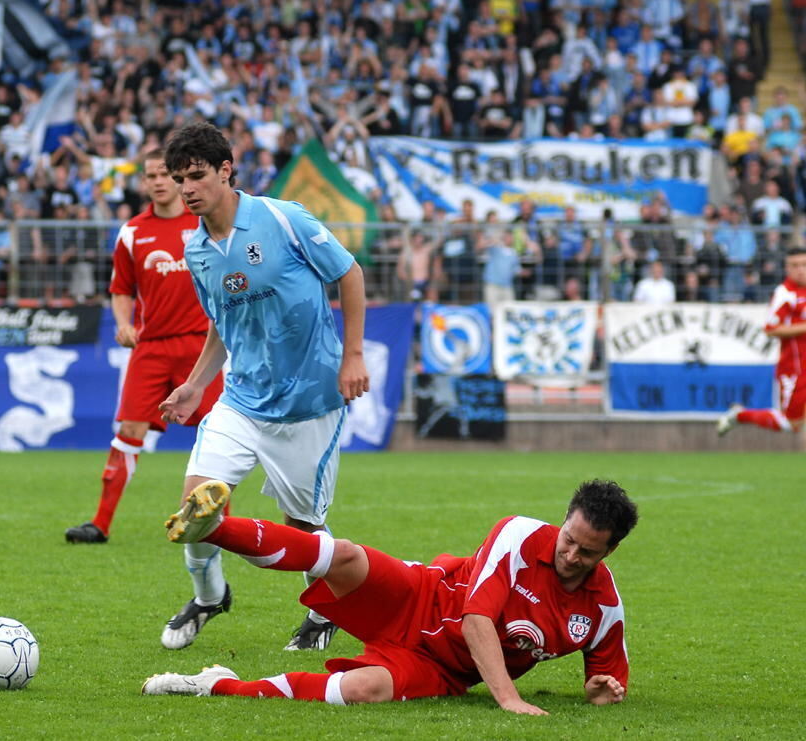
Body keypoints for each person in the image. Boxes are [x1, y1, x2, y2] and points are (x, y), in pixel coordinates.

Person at [143, 478, 638, 712]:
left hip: (442, 668)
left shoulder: (603, 608)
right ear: (564, 520)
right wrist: (507, 698)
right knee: (345, 556)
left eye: (587, 552)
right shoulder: (521, 535)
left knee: (361, 693)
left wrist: (601, 692)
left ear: (610, 550)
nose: (571, 554)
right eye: (568, 539)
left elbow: (607, 681)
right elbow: (476, 620)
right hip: (419, 597)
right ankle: (211, 528)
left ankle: (213, 684)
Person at [157, 122, 369, 652]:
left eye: (197, 175)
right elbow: (221, 329)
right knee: (195, 511)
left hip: (309, 405)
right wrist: (192, 385)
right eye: (179, 178)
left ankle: (324, 614)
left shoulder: (282, 217)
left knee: (301, 531)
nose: (187, 188)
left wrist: (354, 357)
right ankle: (210, 597)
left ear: (226, 171)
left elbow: (350, 274)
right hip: (242, 402)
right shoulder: (198, 252)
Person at [64, 148, 224, 544]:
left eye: (163, 174)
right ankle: (100, 523)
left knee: (218, 434)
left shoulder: (204, 224)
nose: (156, 181)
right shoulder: (133, 231)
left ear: (177, 179)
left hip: (200, 347)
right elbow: (121, 289)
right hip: (150, 347)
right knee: (130, 429)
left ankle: (220, 528)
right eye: (149, 175)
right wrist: (123, 324)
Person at [718, 248, 806, 435]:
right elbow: (770, 329)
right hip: (795, 368)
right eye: (795, 265)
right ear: (787, 268)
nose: (801, 269)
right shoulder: (785, 294)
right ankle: (739, 415)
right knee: (790, 424)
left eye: (804, 264)